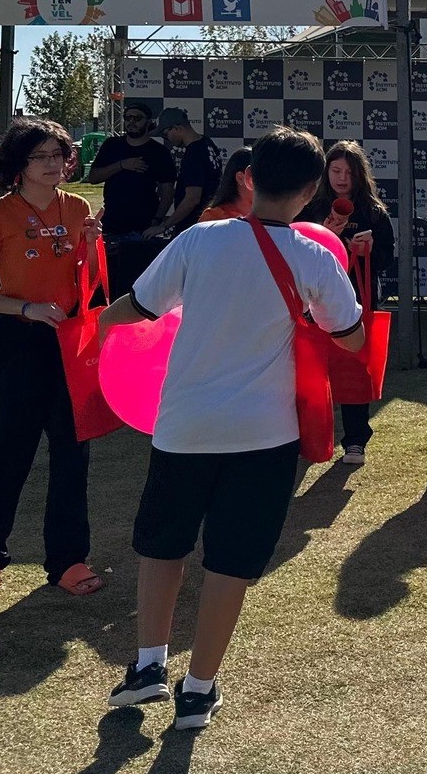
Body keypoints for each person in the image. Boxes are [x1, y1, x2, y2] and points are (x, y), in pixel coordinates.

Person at [99, 127, 364, 729]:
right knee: (231, 563)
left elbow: (137, 309)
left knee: (161, 547)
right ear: (312, 188)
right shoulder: (316, 256)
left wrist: (91, 337)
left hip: (183, 426)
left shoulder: (199, 240)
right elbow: (349, 337)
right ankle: (199, 687)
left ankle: (146, 667)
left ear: (249, 176)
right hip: (264, 436)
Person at [0, 118, 104, 596]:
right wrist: (24, 307)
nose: (53, 164)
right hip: (16, 341)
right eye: (40, 156)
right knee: (3, 451)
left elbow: (92, 282)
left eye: (59, 155)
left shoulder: (79, 206)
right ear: (16, 165)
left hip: (68, 342)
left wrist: (90, 244)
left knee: (71, 453)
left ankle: (68, 560)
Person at [306, 141, 396, 467]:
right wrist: (323, 237)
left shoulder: (373, 211)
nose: (342, 178)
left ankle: (356, 441)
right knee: (314, 372)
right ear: (326, 172)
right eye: (336, 170)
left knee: (355, 370)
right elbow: (296, 256)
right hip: (314, 304)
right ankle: (313, 437)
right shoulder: (311, 208)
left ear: (360, 174)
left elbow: (387, 258)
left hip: (357, 299)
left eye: (349, 171)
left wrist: (366, 251)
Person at [88, 102, 177, 240]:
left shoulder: (159, 152)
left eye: (137, 118)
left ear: (148, 122)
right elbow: (93, 178)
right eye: (128, 118)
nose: (132, 122)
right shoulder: (112, 145)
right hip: (111, 224)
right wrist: (121, 165)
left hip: (143, 228)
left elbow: (168, 191)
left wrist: (157, 219)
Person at [152, 108, 222, 238]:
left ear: (177, 128)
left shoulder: (194, 154)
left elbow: (192, 199)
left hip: (194, 228)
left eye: (165, 134)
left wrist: (163, 226)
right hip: (208, 223)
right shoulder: (207, 142)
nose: (166, 139)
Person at [199, 146, 255, 223]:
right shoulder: (213, 217)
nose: (267, 183)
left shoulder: (269, 216)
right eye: (261, 177)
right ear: (240, 178)